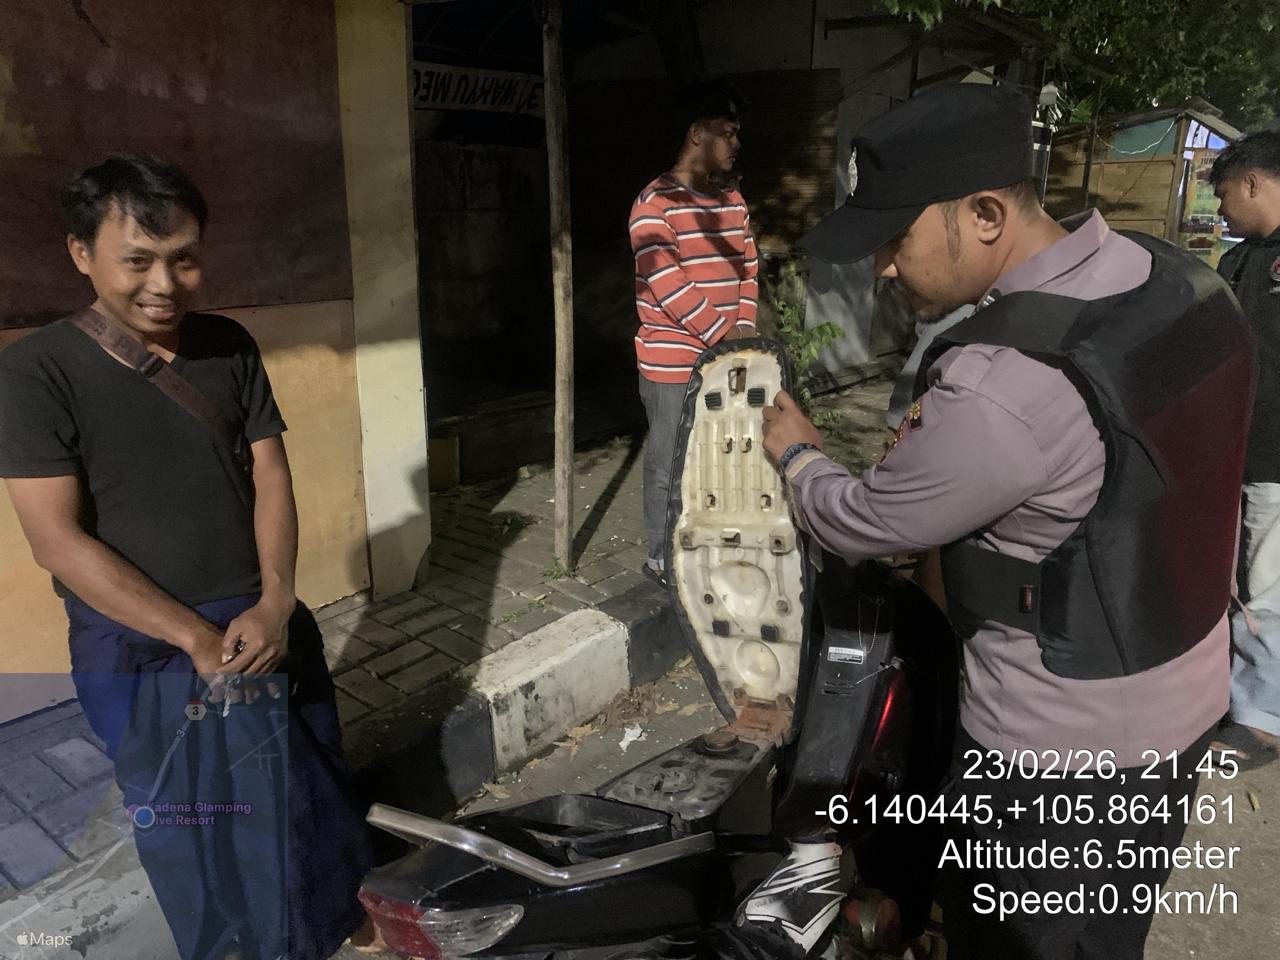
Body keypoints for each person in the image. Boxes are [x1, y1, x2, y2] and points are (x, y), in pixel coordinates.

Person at [761, 83, 1252, 960]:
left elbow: (864, 522)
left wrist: (800, 457)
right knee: (1107, 935)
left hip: (1057, 756)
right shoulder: (1170, 278)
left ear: (985, 214)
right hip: (1182, 694)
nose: (882, 268)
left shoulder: (1003, 385)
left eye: (896, 238)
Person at [0, 155, 375, 960]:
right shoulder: (36, 372)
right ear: (80, 253)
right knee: (188, 822)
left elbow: (270, 474)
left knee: (303, 795)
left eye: (184, 258)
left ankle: (328, 925)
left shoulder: (227, 344)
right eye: (137, 260)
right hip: (140, 646)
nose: (165, 284)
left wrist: (277, 600)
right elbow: (56, 541)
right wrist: (194, 639)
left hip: (257, 620)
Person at [629, 84, 759, 585]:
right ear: (697, 134)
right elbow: (667, 283)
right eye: (728, 133)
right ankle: (662, 559)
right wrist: (725, 334)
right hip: (673, 365)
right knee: (669, 463)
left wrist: (744, 325)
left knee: (719, 461)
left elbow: (748, 266)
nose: (736, 143)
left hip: (726, 358)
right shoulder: (654, 204)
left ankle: (706, 547)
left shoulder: (732, 200)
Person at [1211, 130, 1280, 769]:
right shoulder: (1238, 261)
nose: (1221, 208)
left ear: (1254, 182)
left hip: (1275, 457)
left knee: (1266, 586)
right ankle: (1233, 691)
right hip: (1233, 448)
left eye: (1225, 193)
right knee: (1232, 578)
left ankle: (1263, 721)